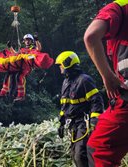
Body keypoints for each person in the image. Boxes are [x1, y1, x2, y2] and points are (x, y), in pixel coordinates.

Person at [84, 1, 128, 166]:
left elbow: (91, 36)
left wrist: (108, 76)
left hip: (125, 104)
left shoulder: (120, 8)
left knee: (99, 150)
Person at [55, 51, 104, 167]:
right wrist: (61, 123)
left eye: (60, 65)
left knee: (80, 155)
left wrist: (93, 122)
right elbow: (65, 105)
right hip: (73, 125)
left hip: (84, 123)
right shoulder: (66, 82)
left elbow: (97, 101)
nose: (60, 68)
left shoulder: (84, 80)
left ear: (67, 63)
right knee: (74, 155)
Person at [0, 33, 42, 101]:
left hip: (27, 67)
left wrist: (37, 40)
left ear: (32, 41)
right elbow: (15, 54)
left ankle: (21, 96)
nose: (27, 41)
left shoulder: (33, 49)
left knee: (19, 77)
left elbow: (39, 49)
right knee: (8, 74)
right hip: (19, 66)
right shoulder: (22, 49)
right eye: (26, 40)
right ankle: (4, 92)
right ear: (24, 41)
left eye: (29, 40)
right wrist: (10, 47)